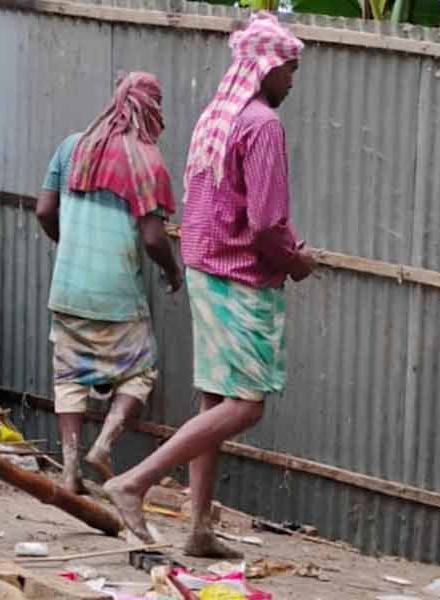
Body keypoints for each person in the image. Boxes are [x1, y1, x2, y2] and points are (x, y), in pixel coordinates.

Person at [104, 12, 317, 558]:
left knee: (215, 401)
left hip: (206, 267)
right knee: (246, 405)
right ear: (266, 68)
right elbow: (267, 224)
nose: (292, 79)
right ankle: (135, 481)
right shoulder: (263, 124)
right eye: (289, 69)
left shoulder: (218, 118)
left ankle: (198, 528)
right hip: (241, 275)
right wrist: (296, 262)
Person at [36, 72, 181, 493]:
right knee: (140, 371)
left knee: (69, 377)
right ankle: (102, 445)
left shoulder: (72, 147)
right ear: (150, 108)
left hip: (67, 288)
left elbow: (45, 210)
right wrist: (172, 272)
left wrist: (69, 244)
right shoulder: (148, 162)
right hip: (116, 296)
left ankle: (68, 469)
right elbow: (154, 237)